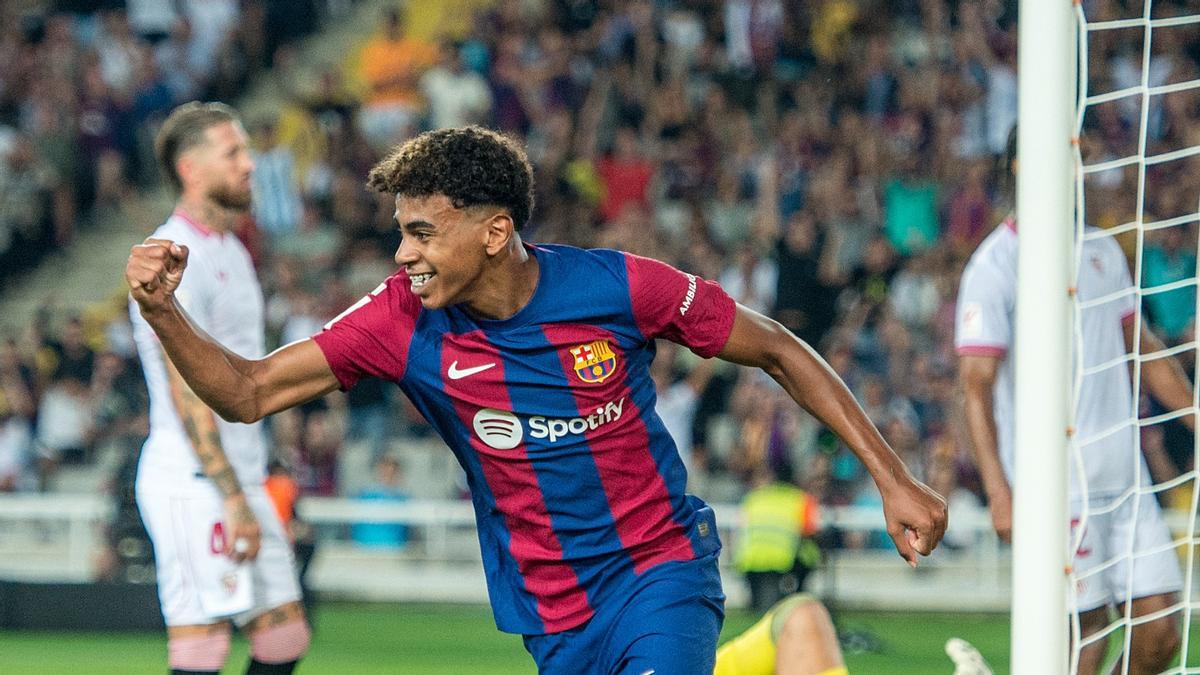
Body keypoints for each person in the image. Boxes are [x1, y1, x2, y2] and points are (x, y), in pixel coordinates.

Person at [127, 126, 946, 674]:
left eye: (422, 230)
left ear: (492, 232)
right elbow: (247, 390)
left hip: (659, 569)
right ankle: (785, 638)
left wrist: (892, 476)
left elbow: (776, 345)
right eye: (400, 231)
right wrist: (163, 309)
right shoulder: (397, 319)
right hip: (552, 618)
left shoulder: (617, 286)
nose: (402, 251)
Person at [956, 137, 1188, 674]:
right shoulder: (995, 266)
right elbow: (975, 387)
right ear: (1020, 163)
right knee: (1086, 631)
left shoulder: (1102, 250)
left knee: (1160, 627)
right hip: (1054, 481)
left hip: (1124, 476)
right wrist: (997, 490)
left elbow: (1143, 349)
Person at [128, 102, 310, 675]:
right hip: (196, 478)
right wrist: (229, 493)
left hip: (240, 474)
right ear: (191, 168)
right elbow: (186, 389)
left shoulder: (229, 249)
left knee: (284, 640)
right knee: (202, 648)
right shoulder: (172, 258)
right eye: (233, 152)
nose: (250, 164)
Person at [733, 463, 822, 614]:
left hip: (751, 557)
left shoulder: (754, 498)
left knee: (756, 609)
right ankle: (797, 598)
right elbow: (809, 531)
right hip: (784, 558)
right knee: (809, 554)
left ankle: (755, 604)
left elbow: (741, 527)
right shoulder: (802, 499)